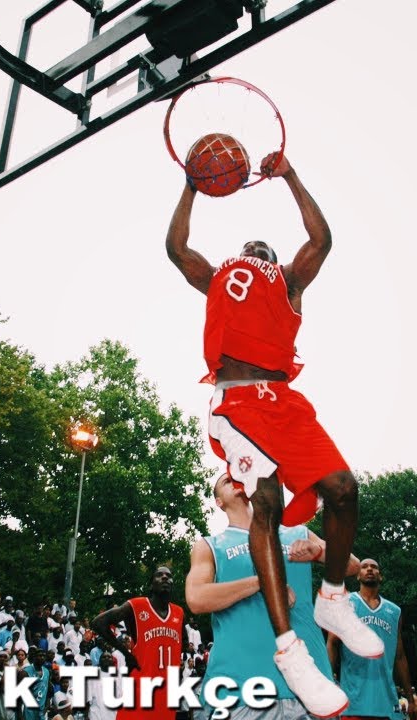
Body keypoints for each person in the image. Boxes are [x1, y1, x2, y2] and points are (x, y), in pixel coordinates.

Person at [166, 153, 383, 715]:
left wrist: (289, 176)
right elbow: (177, 250)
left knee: (343, 490)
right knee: (265, 502)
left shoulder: (287, 282)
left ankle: (333, 597)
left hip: (282, 402)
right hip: (237, 403)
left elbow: (322, 240)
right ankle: (289, 648)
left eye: (265, 249)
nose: (255, 250)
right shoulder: (220, 280)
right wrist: (191, 188)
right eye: (249, 248)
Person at [186, 473, 360, 720]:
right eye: (226, 481)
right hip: (241, 692)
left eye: (237, 476)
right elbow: (196, 598)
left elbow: (353, 566)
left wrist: (319, 549)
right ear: (218, 502)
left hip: (310, 691)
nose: (234, 480)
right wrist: (265, 582)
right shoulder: (211, 545)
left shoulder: (296, 533)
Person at [327, 559, 415, 720]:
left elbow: (400, 657)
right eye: (364, 567)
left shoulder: (394, 611)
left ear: (380, 577)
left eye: (374, 567)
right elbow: (332, 643)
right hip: (354, 700)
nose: (369, 569)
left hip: (387, 701)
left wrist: (410, 697)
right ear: (358, 576)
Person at [92, 567, 183, 720]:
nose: (165, 578)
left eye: (169, 575)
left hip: (167, 694)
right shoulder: (137, 605)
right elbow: (98, 623)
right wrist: (126, 653)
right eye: (159, 575)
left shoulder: (179, 613)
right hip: (141, 690)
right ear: (151, 585)